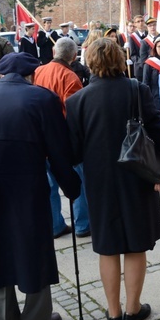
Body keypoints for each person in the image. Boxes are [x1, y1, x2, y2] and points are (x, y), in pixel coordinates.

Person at [0, 52, 82, 320]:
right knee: (33, 248)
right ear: (31, 74)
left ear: (1, 74)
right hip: (27, 186)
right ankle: (34, 319)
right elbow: (58, 150)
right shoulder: (42, 99)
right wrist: (72, 186)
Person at [66, 38, 160, 320]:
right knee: (136, 246)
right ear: (119, 59)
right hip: (138, 176)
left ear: (90, 62)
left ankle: (113, 314)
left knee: (108, 248)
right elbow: (159, 131)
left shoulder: (77, 101)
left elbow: (72, 152)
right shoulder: (136, 90)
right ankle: (132, 309)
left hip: (100, 182)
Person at [33, 38, 91, 238]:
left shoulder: (38, 71)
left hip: (42, 137)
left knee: (49, 184)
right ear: (74, 56)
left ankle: (55, 225)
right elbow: (74, 113)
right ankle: (83, 224)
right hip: (64, 139)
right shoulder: (70, 77)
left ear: (53, 51)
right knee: (78, 181)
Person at [142, 35, 160, 112]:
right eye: (159, 47)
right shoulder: (150, 63)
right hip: (155, 99)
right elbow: (145, 84)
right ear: (155, 48)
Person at [126, 15, 144, 80]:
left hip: (150, 66)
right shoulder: (132, 37)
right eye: (138, 21)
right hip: (139, 67)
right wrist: (141, 62)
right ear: (135, 24)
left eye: (142, 21)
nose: (140, 23)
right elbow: (133, 55)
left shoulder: (148, 34)